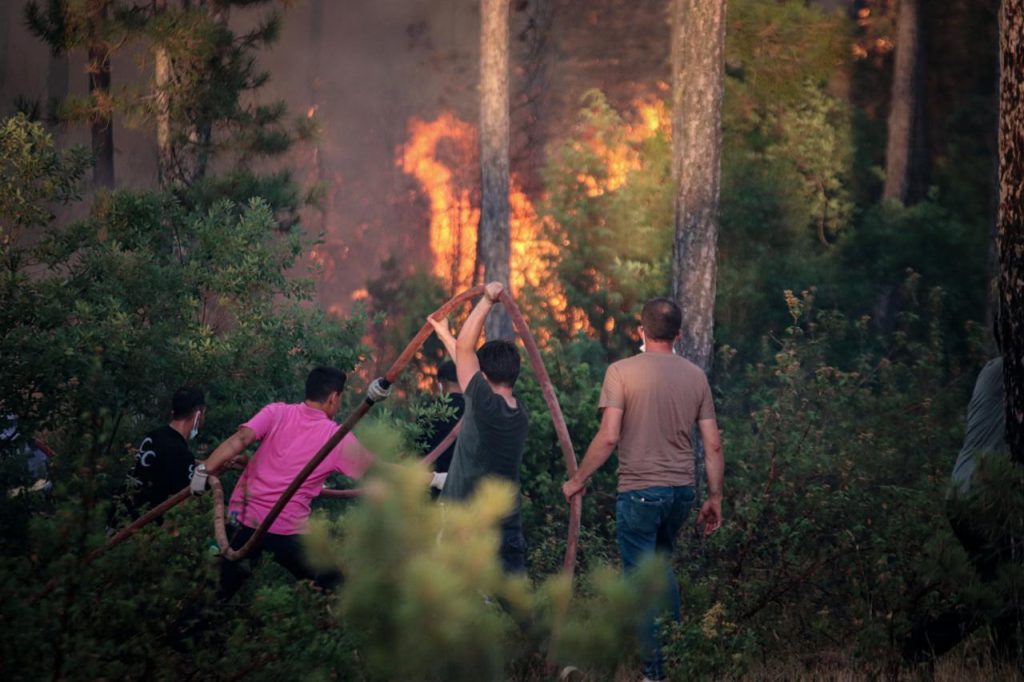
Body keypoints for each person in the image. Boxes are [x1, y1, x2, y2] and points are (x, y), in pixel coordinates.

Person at [561, 298, 725, 682]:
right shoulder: (696, 376)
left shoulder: (621, 372)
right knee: (660, 571)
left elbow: (608, 437)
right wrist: (715, 498)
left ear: (641, 331)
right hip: (681, 494)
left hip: (639, 493)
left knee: (642, 583)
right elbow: (714, 445)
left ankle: (655, 673)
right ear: (679, 335)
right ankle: (669, 656)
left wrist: (577, 479)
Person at [192, 367, 383, 599]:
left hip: (242, 520)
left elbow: (241, 439)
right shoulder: (336, 437)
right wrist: (433, 478)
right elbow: (377, 470)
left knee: (214, 596)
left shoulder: (276, 412)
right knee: (336, 588)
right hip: (285, 531)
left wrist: (204, 469)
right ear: (334, 397)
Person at [428, 282, 530, 574]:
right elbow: (466, 362)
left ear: (482, 378)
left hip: (466, 526)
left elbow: (464, 351)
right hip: (506, 527)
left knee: (454, 608)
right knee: (520, 611)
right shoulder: (517, 413)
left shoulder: (485, 406)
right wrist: (444, 333)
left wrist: (486, 300)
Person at [123, 386, 206, 514]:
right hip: (146, 526)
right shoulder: (181, 454)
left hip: (122, 515)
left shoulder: (153, 436)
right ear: (198, 413)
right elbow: (185, 502)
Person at [420, 360, 465, 477]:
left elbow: (418, 446)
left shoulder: (429, 410)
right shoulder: (473, 409)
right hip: (464, 481)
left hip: (431, 480)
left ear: (441, 383)